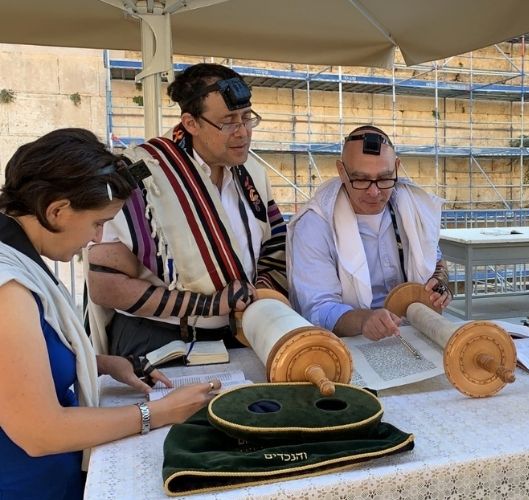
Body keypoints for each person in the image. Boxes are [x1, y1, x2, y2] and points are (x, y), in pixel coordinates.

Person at [0, 129, 218, 499]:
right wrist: (159, 414)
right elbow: (39, 432)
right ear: (56, 210)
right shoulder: (8, 289)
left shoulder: (17, 253)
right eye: (98, 222)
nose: (98, 238)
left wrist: (98, 362)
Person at [86, 63, 288, 358]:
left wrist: (259, 294)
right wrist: (209, 305)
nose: (243, 132)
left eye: (247, 118)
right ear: (191, 123)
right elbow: (105, 284)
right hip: (157, 341)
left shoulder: (252, 173)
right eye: (229, 121)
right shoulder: (141, 176)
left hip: (239, 334)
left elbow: (274, 246)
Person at [288, 125, 450, 340]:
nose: (374, 192)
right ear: (341, 172)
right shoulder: (315, 224)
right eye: (361, 179)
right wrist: (365, 320)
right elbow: (319, 308)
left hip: (415, 330)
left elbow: (436, 260)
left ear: (397, 168)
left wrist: (440, 282)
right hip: (349, 340)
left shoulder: (412, 206)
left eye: (384, 178)